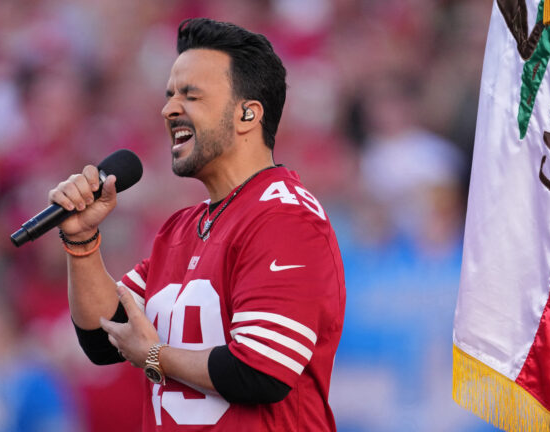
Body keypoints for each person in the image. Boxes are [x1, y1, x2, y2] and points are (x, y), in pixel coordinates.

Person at [48, 18, 346, 431]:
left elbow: (262, 370)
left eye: (191, 95)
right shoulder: (183, 227)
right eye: (170, 94)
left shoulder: (285, 216)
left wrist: (154, 356)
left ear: (247, 113)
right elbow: (105, 338)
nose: (168, 109)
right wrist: (81, 242)